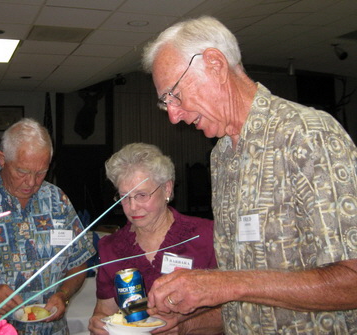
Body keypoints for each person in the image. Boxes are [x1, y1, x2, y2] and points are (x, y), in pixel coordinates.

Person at [142, 15, 357, 334]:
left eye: (174, 94)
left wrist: (224, 283)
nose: (173, 116)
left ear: (214, 63)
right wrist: (184, 325)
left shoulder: (307, 135)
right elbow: (248, 301)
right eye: (165, 103)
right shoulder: (222, 155)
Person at [0, 118, 96, 335]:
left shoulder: (57, 200)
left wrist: (64, 295)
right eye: (22, 171)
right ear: (2, 159)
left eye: (41, 172)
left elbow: (78, 262)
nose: (31, 183)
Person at [88, 143, 222, 335]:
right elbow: (104, 311)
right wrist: (98, 324)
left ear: (167, 189)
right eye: (124, 197)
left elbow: (232, 310)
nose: (132, 207)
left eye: (142, 195)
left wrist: (185, 327)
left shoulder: (205, 236)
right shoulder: (111, 247)